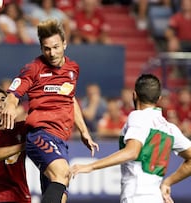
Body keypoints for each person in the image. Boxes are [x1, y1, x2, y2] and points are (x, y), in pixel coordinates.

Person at [1, 19, 99, 203]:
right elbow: (14, 93)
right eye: (46, 48)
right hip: (40, 135)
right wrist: (10, 105)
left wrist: (84, 132)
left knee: (60, 194)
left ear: (65, 44)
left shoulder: (73, 69)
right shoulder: (33, 68)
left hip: (61, 139)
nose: (51, 53)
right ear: (41, 48)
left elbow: (70, 99)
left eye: (55, 47)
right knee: (63, 174)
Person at [70, 74, 191, 203]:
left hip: (136, 195)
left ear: (134, 95)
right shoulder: (170, 128)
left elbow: (132, 152)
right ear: (159, 98)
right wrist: (168, 182)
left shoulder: (138, 116)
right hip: (156, 197)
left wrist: (91, 166)